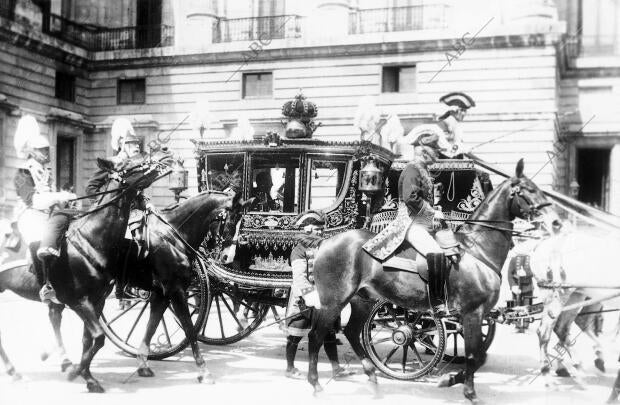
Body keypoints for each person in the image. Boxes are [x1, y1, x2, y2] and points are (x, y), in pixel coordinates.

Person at [362, 127, 460, 315]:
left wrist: (435, 213)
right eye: (435, 151)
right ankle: (437, 303)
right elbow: (410, 198)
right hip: (409, 223)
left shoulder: (422, 170)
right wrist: (432, 214)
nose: (438, 154)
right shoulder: (412, 170)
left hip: (421, 222)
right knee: (436, 252)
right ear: (424, 151)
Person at [12, 115, 76, 304]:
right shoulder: (22, 172)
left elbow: (50, 195)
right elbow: (33, 200)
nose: (47, 153)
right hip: (29, 215)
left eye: (47, 149)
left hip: (47, 214)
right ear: (32, 151)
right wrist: (59, 196)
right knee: (38, 238)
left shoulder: (45, 171)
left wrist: (65, 202)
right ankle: (45, 285)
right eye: (42, 150)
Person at [283, 211, 353, 380]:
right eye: (317, 229)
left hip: (323, 296)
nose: (320, 232)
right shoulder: (298, 251)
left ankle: (336, 368)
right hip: (304, 297)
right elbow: (299, 278)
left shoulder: (324, 247)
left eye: (322, 229)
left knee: (328, 332)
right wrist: (309, 295)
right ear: (307, 230)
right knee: (295, 334)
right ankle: (290, 368)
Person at [436, 92, 476, 159]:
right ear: (455, 111)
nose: (464, 114)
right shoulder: (446, 123)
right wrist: (462, 149)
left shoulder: (455, 125)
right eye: (463, 110)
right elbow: (446, 148)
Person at [507, 254, 534, 332]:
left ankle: (526, 325)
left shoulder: (531, 258)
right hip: (516, 287)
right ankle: (517, 326)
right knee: (516, 306)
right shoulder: (513, 259)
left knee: (527, 307)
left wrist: (526, 273)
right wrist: (513, 286)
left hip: (528, 287)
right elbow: (509, 274)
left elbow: (534, 271)